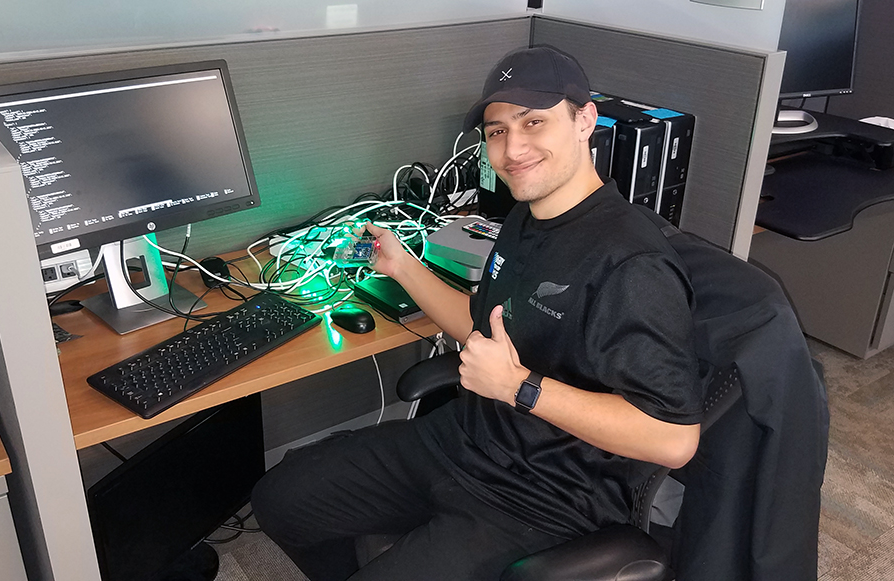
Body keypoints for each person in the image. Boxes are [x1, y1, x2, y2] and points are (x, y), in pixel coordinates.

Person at [250, 45, 704, 581]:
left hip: (548, 496)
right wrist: (401, 265)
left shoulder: (632, 264)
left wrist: (520, 387)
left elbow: (675, 441)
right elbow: (481, 325)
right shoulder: (526, 216)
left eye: (534, 122)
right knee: (282, 498)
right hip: (465, 440)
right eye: (496, 131)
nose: (513, 148)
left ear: (585, 120)